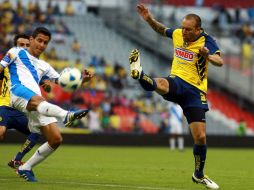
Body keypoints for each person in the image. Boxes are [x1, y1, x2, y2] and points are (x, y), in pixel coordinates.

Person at [129, 4, 224, 189]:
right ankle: (140, 74)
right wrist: (148, 18)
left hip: (195, 92)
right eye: (183, 28)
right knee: (162, 84)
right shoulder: (179, 33)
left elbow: (220, 61)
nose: (184, 32)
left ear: (199, 29)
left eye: (189, 29)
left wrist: (208, 56)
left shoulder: (207, 41)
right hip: (177, 81)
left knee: (200, 137)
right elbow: (162, 29)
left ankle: (198, 174)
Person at [0, 27, 94, 182]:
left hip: (36, 102)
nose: (42, 45)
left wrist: (83, 80)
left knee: (56, 139)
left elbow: (63, 83)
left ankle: (26, 167)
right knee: (39, 100)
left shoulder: (45, 66)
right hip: (17, 92)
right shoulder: (16, 51)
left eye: (45, 42)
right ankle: (66, 115)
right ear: (31, 40)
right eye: (39, 40)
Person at [0, 33, 41, 169]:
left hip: (20, 110)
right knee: (1, 132)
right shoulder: (6, 64)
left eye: (27, 45)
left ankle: (17, 160)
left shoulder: (33, 67)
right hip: (4, 106)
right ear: (15, 47)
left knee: (36, 131)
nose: (24, 47)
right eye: (20, 45)